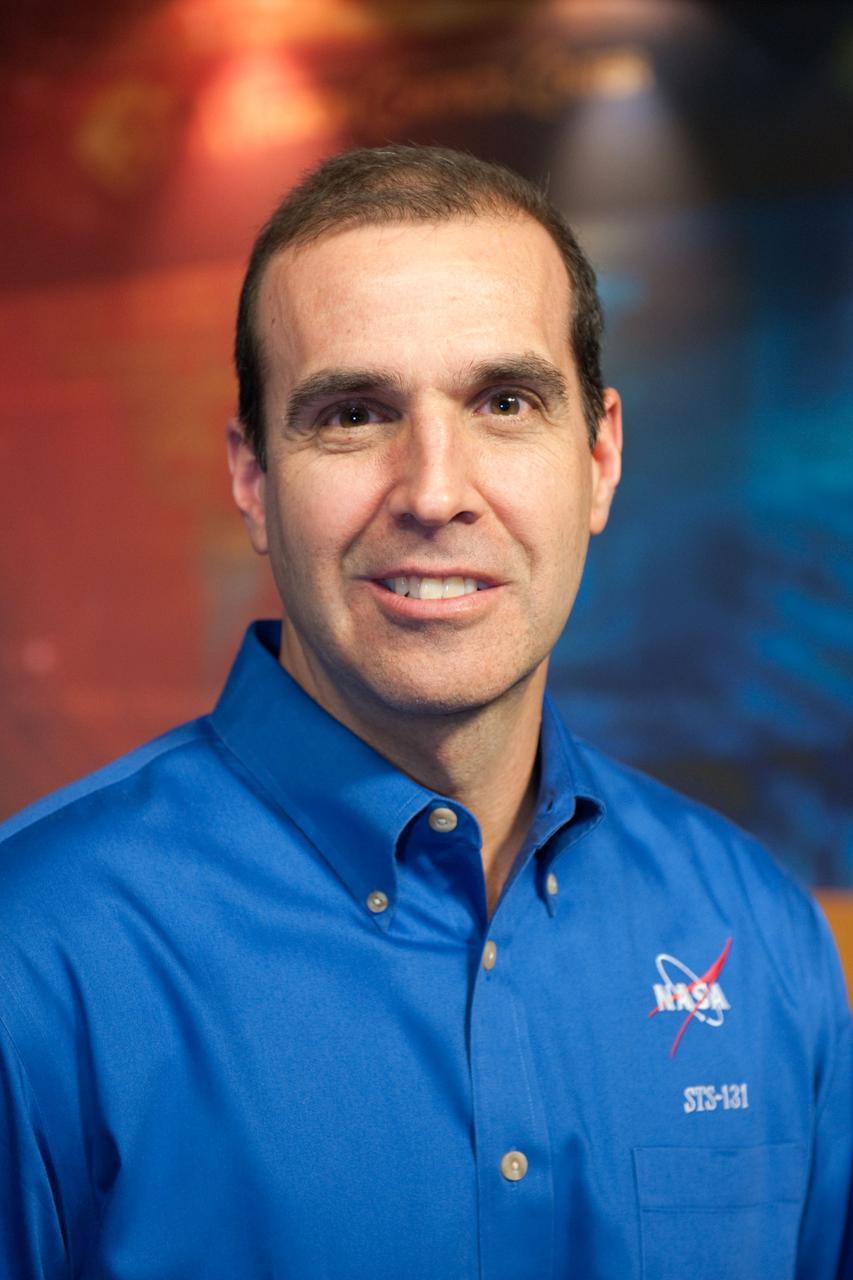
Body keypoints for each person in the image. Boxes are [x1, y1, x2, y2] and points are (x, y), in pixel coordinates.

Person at [0, 145, 850, 1280]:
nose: (435, 490)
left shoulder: (762, 938)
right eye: (353, 413)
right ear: (252, 476)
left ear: (597, 455)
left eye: (504, 402)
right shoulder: (35, 953)